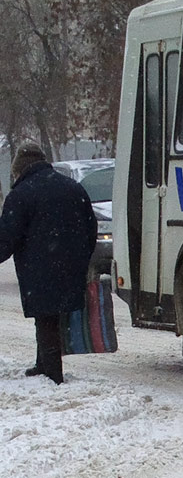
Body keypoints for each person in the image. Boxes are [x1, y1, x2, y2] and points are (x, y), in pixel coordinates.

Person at [0, 142, 98, 384]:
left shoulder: (21, 194)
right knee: (49, 315)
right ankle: (41, 363)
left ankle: (53, 373)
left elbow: (7, 237)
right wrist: (82, 257)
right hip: (71, 263)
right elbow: (91, 227)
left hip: (39, 266)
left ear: (20, 168)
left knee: (45, 316)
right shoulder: (73, 187)